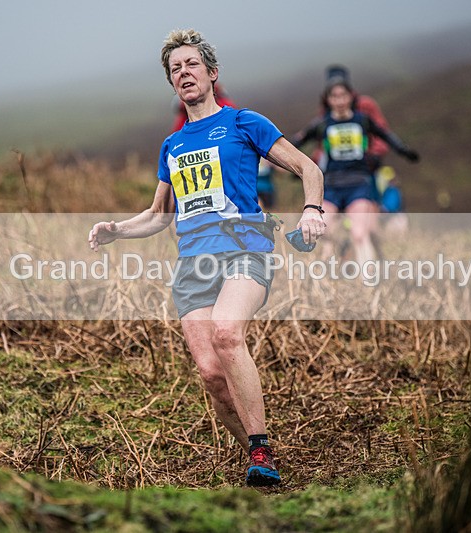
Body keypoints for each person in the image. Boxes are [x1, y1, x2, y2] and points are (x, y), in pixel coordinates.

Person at [89, 29, 325, 487]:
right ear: (172, 84)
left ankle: (259, 444)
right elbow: (159, 215)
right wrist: (117, 230)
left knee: (226, 333)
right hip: (192, 266)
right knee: (211, 374)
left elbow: (307, 168)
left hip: (245, 250)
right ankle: (262, 460)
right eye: (175, 69)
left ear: (212, 73)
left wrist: (312, 210)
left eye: (191, 65)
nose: (184, 73)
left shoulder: (244, 123)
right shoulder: (171, 145)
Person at [292, 77, 418, 265]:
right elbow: (296, 142)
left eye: (343, 95)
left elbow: (385, 135)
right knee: (321, 230)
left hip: (358, 184)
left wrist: (404, 150)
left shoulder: (363, 121)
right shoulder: (322, 124)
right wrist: (273, 155)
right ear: (328, 100)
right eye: (335, 96)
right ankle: (341, 250)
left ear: (351, 97)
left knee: (360, 234)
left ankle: (368, 283)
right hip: (331, 185)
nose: (340, 100)